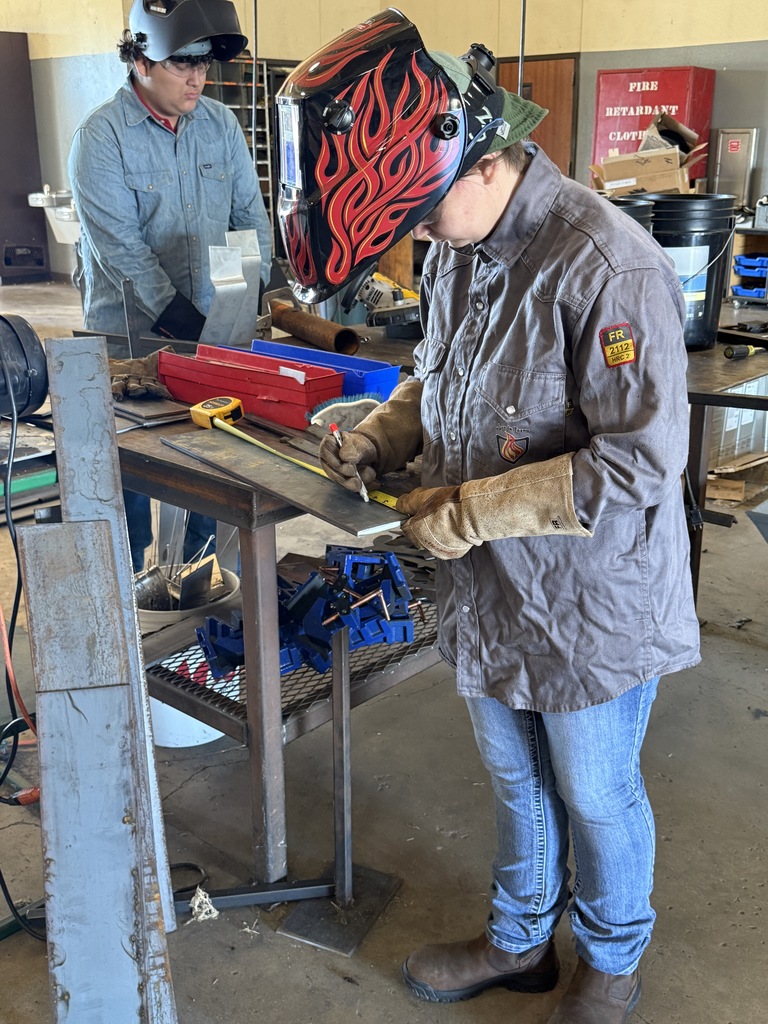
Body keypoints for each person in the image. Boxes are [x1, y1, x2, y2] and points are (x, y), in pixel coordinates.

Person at [276, 10, 701, 1024]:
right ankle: (519, 944)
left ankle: (612, 956)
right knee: (516, 782)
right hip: (491, 587)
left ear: (472, 161)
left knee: (595, 794)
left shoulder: (608, 262)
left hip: (591, 600)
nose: (416, 236)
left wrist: (468, 509)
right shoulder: (458, 251)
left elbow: (640, 463)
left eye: (420, 215)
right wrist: (381, 434)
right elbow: (439, 377)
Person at [69, 0, 273, 571]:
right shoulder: (100, 139)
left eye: (205, 63)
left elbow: (249, 216)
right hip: (128, 344)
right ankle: (129, 589)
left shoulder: (221, 125)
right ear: (139, 61)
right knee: (128, 476)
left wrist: (252, 289)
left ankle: (195, 582)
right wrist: (184, 324)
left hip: (211, 335)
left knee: (206, 464)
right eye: (182, 62)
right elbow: (123, 253)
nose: (198, 76)